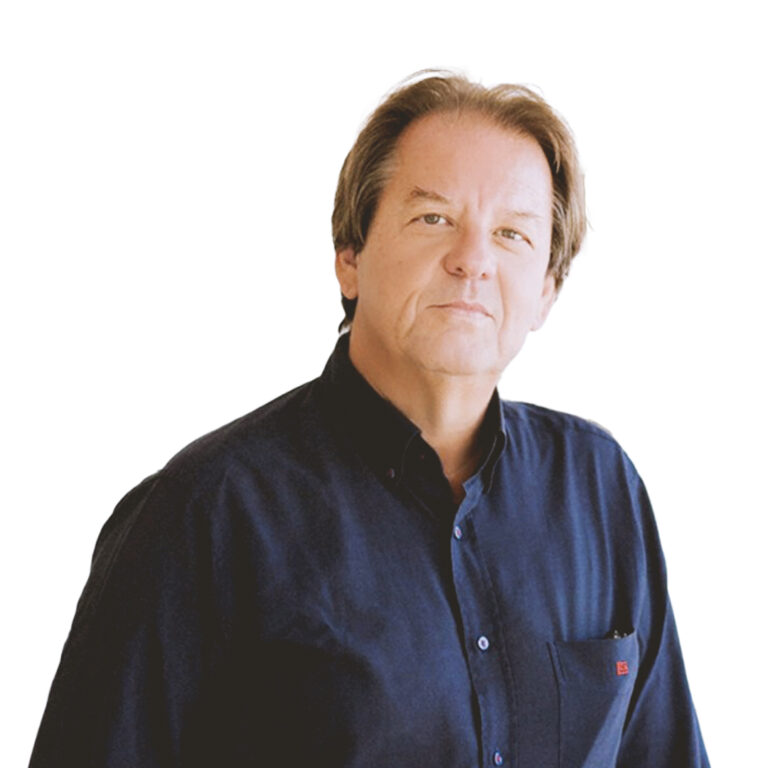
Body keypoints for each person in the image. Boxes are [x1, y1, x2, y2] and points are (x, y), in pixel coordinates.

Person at [29, 72, 709, 767]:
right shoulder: (207, 514)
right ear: (349, 258)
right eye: (433, 218)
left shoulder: (600, 489)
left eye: (511, 234)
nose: (472, 261)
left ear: (547, 292)